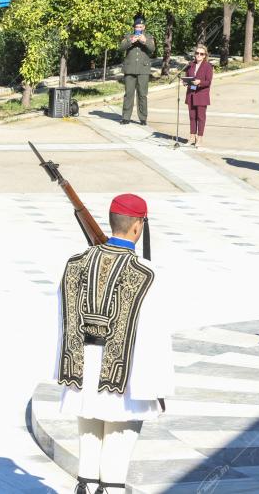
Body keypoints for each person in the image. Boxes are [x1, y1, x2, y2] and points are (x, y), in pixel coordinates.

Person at [57, 194, 173, 494]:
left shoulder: (74, 263)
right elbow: (155, 334)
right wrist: (157, 387)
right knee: (115, 471)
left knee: (89, 457)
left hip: (81, 370)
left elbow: (64, 318)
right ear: (138, 226)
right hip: (127, 377)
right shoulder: (148, 273)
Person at [119, 14, 155, 126]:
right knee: (128, 93)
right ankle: (126, 117)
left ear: (144, 27)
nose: (139, 28)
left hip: (143, 69)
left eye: (140, 26)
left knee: (142, 94)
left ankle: (143, 118)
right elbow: (121, 48)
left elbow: (152, 49)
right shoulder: (128, 36)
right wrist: (131, 41)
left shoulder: (149, 37)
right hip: (129, 68)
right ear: (134, 27)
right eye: (137, 26)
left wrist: (145, 41)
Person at [183, 44, 214, 148]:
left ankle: (199, 138)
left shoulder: (208, 66)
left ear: (205, 55)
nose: (199, 55)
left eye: (201, 54)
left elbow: (208, 82)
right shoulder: (190, 65)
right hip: (191, 94)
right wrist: (185, 82)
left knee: (200, 117)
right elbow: (187, 77)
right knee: (192, 117)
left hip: (201, 95)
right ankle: (192, 137)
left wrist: (199, 82)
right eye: (197, 53)